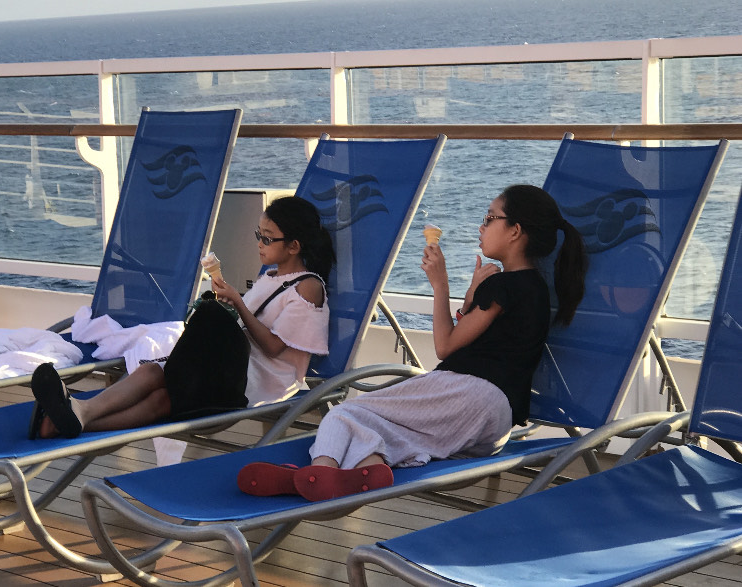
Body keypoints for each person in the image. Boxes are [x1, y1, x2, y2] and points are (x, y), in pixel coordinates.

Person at [237, 184, 588, 501]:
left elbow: (445, 347)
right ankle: (364, 468)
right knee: (387, 430)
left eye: (490, 218)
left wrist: (440, 284)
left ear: (515, 231)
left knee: (348, 412)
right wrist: (471, 296)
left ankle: (321, 470)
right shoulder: (534, 289)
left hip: (468, 394)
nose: (481, 226)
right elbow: (486, 340)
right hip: (493, 421)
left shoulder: (503, 287)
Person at [29, 196, 336, 439]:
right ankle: (79, 413)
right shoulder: (271, 276)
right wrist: (231, 303)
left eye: (268, 238)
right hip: (231, 367)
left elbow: (272, 348)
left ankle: (75, 416)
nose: (259, 242)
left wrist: (237, 305)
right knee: (154, 378)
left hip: (260, 381)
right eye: (259, 234)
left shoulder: (308, 288)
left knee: (171, 381)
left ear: (294, 246)